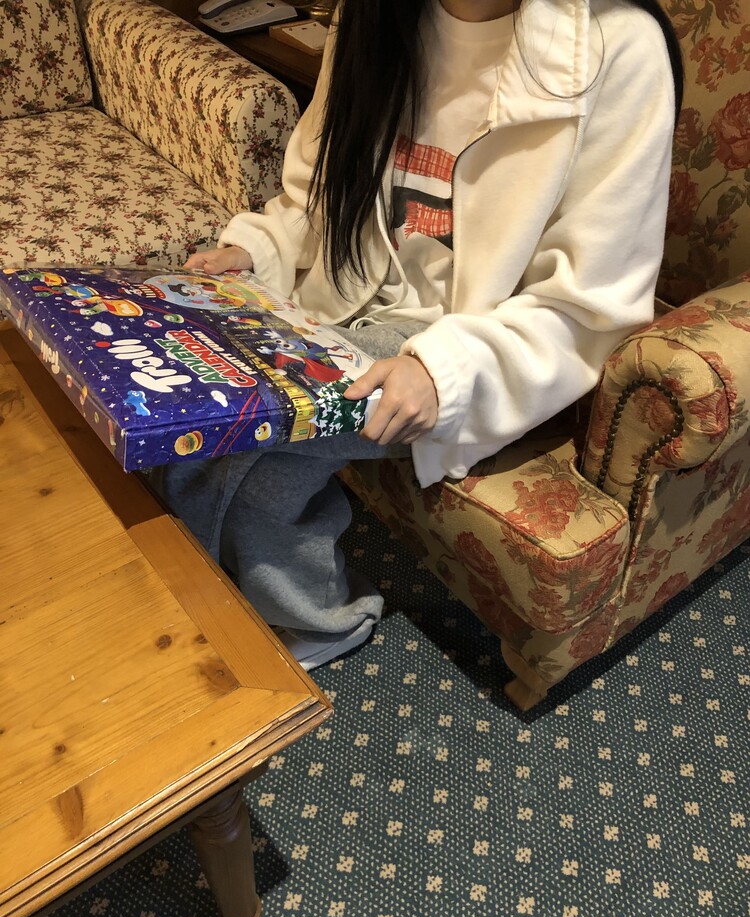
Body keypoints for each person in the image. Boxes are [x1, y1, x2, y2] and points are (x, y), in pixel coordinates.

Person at [151, 0, 683, 670]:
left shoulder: (618, 46)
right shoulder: (372, 15)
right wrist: (258, 250)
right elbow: (319, 189)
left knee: (240, 435)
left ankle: (259, 622)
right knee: (182, 383)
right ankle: (226, 607)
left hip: (480, 341)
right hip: (341, 302)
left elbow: (589, 305)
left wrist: (446, 369)